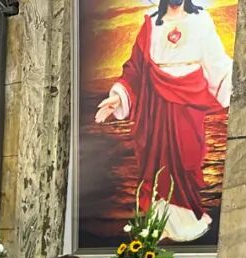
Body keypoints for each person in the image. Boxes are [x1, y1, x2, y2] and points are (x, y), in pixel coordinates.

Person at [95, 0, 232, 242]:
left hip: (188, 104)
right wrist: (118, 96)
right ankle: (160, 223)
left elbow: (217, 62)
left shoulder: (201, 20)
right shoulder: (150, 23)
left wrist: (238, 86)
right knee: (157, 162)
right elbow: (135, 68)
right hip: (155, 106)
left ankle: (188, 220)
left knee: (186, 158)